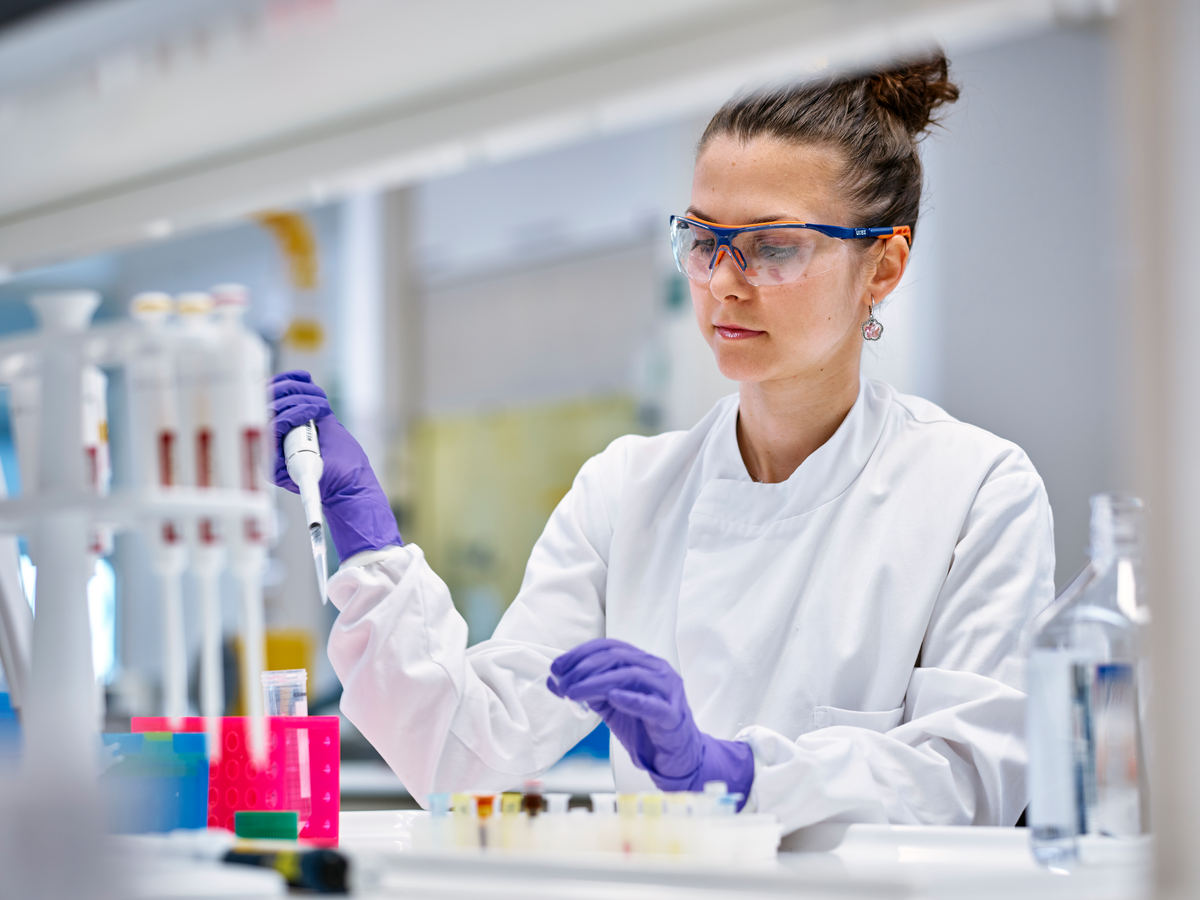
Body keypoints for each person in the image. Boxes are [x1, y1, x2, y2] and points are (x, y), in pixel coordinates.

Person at [271, 53, 1054, 835]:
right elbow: (468, 754)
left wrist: (734, 774)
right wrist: (364, 534)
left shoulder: (974, 488)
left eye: (774, 246)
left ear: (883, 265)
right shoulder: (627, 491)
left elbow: (969, 778)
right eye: (705, 239)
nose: (723, 280)